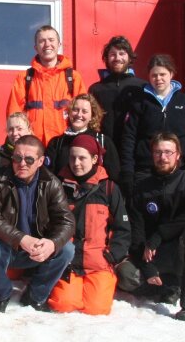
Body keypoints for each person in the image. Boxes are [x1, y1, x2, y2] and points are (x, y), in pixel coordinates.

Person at [0, 135, 76, 312]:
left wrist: (52, 243)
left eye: (29, 159)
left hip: (37, 251)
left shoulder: (51, 183)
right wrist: (20, 238)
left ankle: (35, 295)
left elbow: (67, 221)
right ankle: (1, 293)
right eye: (17, 158)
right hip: (7, 248)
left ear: (40, 161)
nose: (22, 163)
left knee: (67, 249)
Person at [117, 133, 185, 320]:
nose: (163, 157)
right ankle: (166, 287)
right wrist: (147, 267)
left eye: (168, 152)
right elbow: (137, 230)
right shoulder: (142, 187)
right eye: (158, 152)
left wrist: (159, 234)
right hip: (154, 255)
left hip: (183, 252)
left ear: (178, 155)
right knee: (125, 274)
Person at [48, 135, 130, 315]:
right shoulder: (59, 186)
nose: (76, 163)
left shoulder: (108, 188)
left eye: (82, 158)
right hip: (68, 262)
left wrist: (111, 256)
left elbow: (123, 228)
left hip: (99, 262)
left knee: (97, 309)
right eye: (72, 157)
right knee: (63, 304)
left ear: (94, 159)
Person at [120, 54, 185, 197]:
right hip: (146, 168)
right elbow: (129, 137)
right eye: (154, 75)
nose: (158, 79)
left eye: (163, 74)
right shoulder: (140, 102)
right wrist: (127, 171)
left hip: (178, 169)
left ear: (172, 74)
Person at [6, 25, 87, 144]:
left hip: (65, 144)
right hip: (33, 145)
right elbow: (14, 114)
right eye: (42, 41)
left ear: (59, 45)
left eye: (51, 40)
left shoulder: (73, 77)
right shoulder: (24, 78)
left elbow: (83, 112)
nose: (47, 44)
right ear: (36, 47)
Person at [45, 94, 120, 181]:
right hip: (64, 192)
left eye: (84, 111)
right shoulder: (57, 142)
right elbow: (49, 177)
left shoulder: (103, 141)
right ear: (69, 112)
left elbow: (114, 176)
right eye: (75, 110)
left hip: (96, 193)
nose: (79, 114)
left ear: (92, 116)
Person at [88, 35, 147, 145]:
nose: (117, 58)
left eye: (122, 54)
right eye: (113, 54)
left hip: (134, 149)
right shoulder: (95, 89)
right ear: (106, 58)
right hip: (104, 148)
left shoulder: (142, 87)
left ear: (130, 57)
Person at [0, 112, 33, 177]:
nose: (14, 133)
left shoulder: (37, 155)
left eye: (19, 129)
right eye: (11, 129)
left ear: (29, 130)